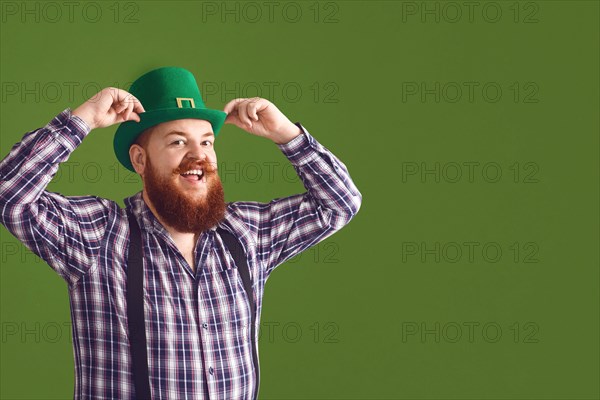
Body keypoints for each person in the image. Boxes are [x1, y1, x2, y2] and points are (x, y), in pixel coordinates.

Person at [0, 66, 362, 399]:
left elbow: (339, 204)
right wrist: (81, 120)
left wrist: (287, 135)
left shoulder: (245, 234)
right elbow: (10, 194)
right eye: (177, 142)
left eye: (206, 141)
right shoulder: (100, 236)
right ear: (140, 160)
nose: (198, 155)